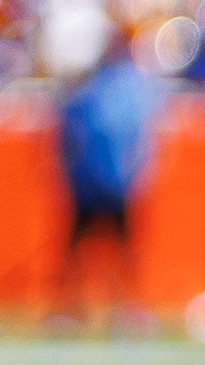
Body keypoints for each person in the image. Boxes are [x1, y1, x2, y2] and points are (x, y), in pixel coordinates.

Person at [53, 23, 171, 332]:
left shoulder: (130, 87)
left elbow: (143, 139)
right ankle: (75, 310)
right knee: (78, 254)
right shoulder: (92, 86)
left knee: (123, 255)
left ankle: (127, 311)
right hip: (89, 183)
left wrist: (138, 176)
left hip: (116, 184)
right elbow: (68, 134)